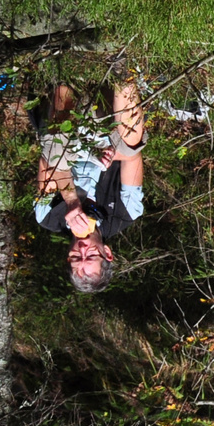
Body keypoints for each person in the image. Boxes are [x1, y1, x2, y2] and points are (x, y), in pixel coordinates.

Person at [32, 80, 146, 293]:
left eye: (76, 257)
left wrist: (71, 201)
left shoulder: (47, 216)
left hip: (67, 132)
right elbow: (133, 159)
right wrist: (107, 157)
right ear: (107, 253)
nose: (82, 248)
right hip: (106, 127)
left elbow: (46, 162)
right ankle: (122, 73)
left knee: (55, 151)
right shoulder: (125, 214)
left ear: (68, 256)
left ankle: (63, 75)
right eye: (91, 255)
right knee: (130, 146)